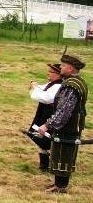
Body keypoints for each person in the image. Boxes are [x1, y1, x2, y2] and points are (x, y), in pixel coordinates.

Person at [37, 54, 88, 194]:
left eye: (63, 65)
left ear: (71, 69)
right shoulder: (78, 82)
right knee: (62, 154)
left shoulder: (71, 85)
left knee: (63, 155)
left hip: (68, 126)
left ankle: (61, 187)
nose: (61, 67)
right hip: (72, 125)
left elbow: (64, 110)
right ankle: (58, 184)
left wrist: (47, 125)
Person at [27, 63, 63, 171]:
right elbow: (41, 89)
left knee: (47, 139)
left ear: (59, 75)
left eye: (51, 72)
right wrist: (35, 85)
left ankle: (50, 165)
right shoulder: (52, 84)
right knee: (40, 137)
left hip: (51, 116)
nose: (48, 73)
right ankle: (44, 165)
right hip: (44, 114)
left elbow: (45, 97)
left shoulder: (58, 86)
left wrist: (34, 88)